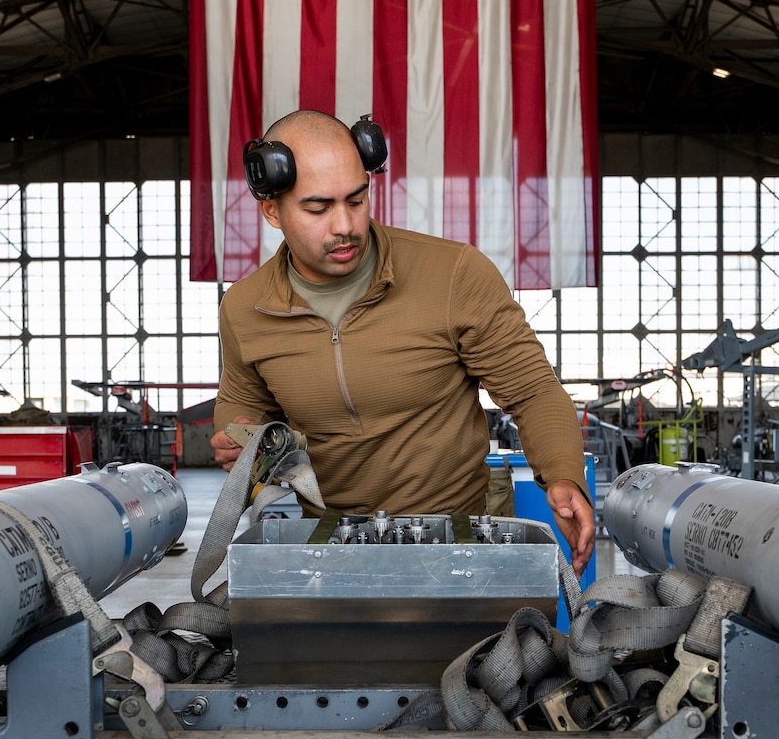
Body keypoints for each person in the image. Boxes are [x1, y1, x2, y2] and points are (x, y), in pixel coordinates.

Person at [210, 110, 595, 570]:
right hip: (335, 546)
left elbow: (532, 389)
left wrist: (564, 474)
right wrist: (240, 442)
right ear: (272, 209)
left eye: (357, 199)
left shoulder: (453, 275)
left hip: (461, 540)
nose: (345, 226)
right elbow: (243, 404)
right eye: (318, 208)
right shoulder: (245, 308)